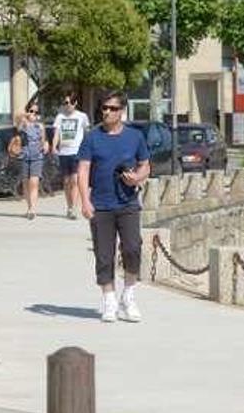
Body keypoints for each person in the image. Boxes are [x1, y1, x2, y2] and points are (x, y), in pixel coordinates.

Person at [77, 90, 150, 323]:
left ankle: (128, 295)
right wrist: (85, 201)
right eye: (104, 108)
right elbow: (83, 170)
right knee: (104, 255)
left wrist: (137, 178)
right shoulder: (92, 137)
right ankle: (109, 299)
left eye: (113, 108)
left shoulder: (135, 137)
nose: (107, 112)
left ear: (122, 111)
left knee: (132, 248)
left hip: (128, 203)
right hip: (101, 205)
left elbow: (145, 165)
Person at [52, 92, 91, 220]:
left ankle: (73, 207)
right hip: (64, 152)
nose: (67, 105)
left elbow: (87, 133)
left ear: (75, 103)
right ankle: (69, 206)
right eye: (65, 103)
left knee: (75, 180)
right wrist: (54, 146)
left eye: (69, 103)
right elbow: (57, 134)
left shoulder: (82, 116)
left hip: (76, 152)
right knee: (67, 181)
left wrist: (87, 148)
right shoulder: (60, 117)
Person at [15, 102, 48, 220]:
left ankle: (33, 209)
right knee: (26, 183)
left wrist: (45, 145)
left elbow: (43, 140)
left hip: (37, 157)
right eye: (31, 111)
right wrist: (26, 115)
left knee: (34, 182)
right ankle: (29, 206)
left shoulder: (40, 126)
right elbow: (18, 118)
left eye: (36, 112)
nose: (34, 114)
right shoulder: (23, 124)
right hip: (24, 156)